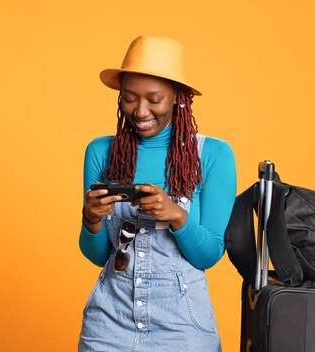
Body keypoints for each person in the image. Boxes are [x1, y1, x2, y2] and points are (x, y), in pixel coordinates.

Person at [78, 36, 237, 352]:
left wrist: (177, 215)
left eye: (154, 99)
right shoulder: (101, 152)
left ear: (178, 97)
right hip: (109, 321)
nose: (140, 110)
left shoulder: (212, 154)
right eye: (129, 98)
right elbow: (97, 255)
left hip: (182, 324)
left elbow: (210, 254)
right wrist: (91, 219)